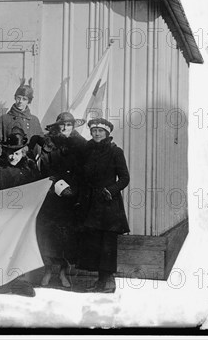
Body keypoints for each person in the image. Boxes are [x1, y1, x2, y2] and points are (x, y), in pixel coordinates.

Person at [0, 127, 42, 297]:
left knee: (19, 248)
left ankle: (20, 281)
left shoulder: (30, 168)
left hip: (21, 217)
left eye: (17, 153)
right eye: (9, 153)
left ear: (23, 151)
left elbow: (37, 189)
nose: (13, 157)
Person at [75, 117, 130, 293]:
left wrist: (110, 190)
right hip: (91, 203)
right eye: (94, 131)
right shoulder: (87, 150)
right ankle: (100, 281)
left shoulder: (116, 151)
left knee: (108, 244)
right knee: (95, 243)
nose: (97, 134)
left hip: (108, 204)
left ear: (107, 133)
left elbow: (124, 178)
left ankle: (109, 282)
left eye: (100, 131)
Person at [33, 112, 87, 288]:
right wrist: (59, 186)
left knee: (67, 235)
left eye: (69, 125)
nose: (65, 128)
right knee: (48, 234)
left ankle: (64, 272)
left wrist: (75, 190)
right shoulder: (49, 144)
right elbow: (45, 169)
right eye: (62, 125)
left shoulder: (80, 145)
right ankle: (48, 270)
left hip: (72, 197)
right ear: (57, 126)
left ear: (73, 127)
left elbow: (84, 170)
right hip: (52, 196)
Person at [0, 78, 43, 160]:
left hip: (27, 161)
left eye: (24, 99)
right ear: (15, 98)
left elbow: (42, 141)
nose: (20, 101)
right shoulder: (4, 119)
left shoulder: (34, 120)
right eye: (18, 98)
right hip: (8, 159)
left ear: (29, 101)